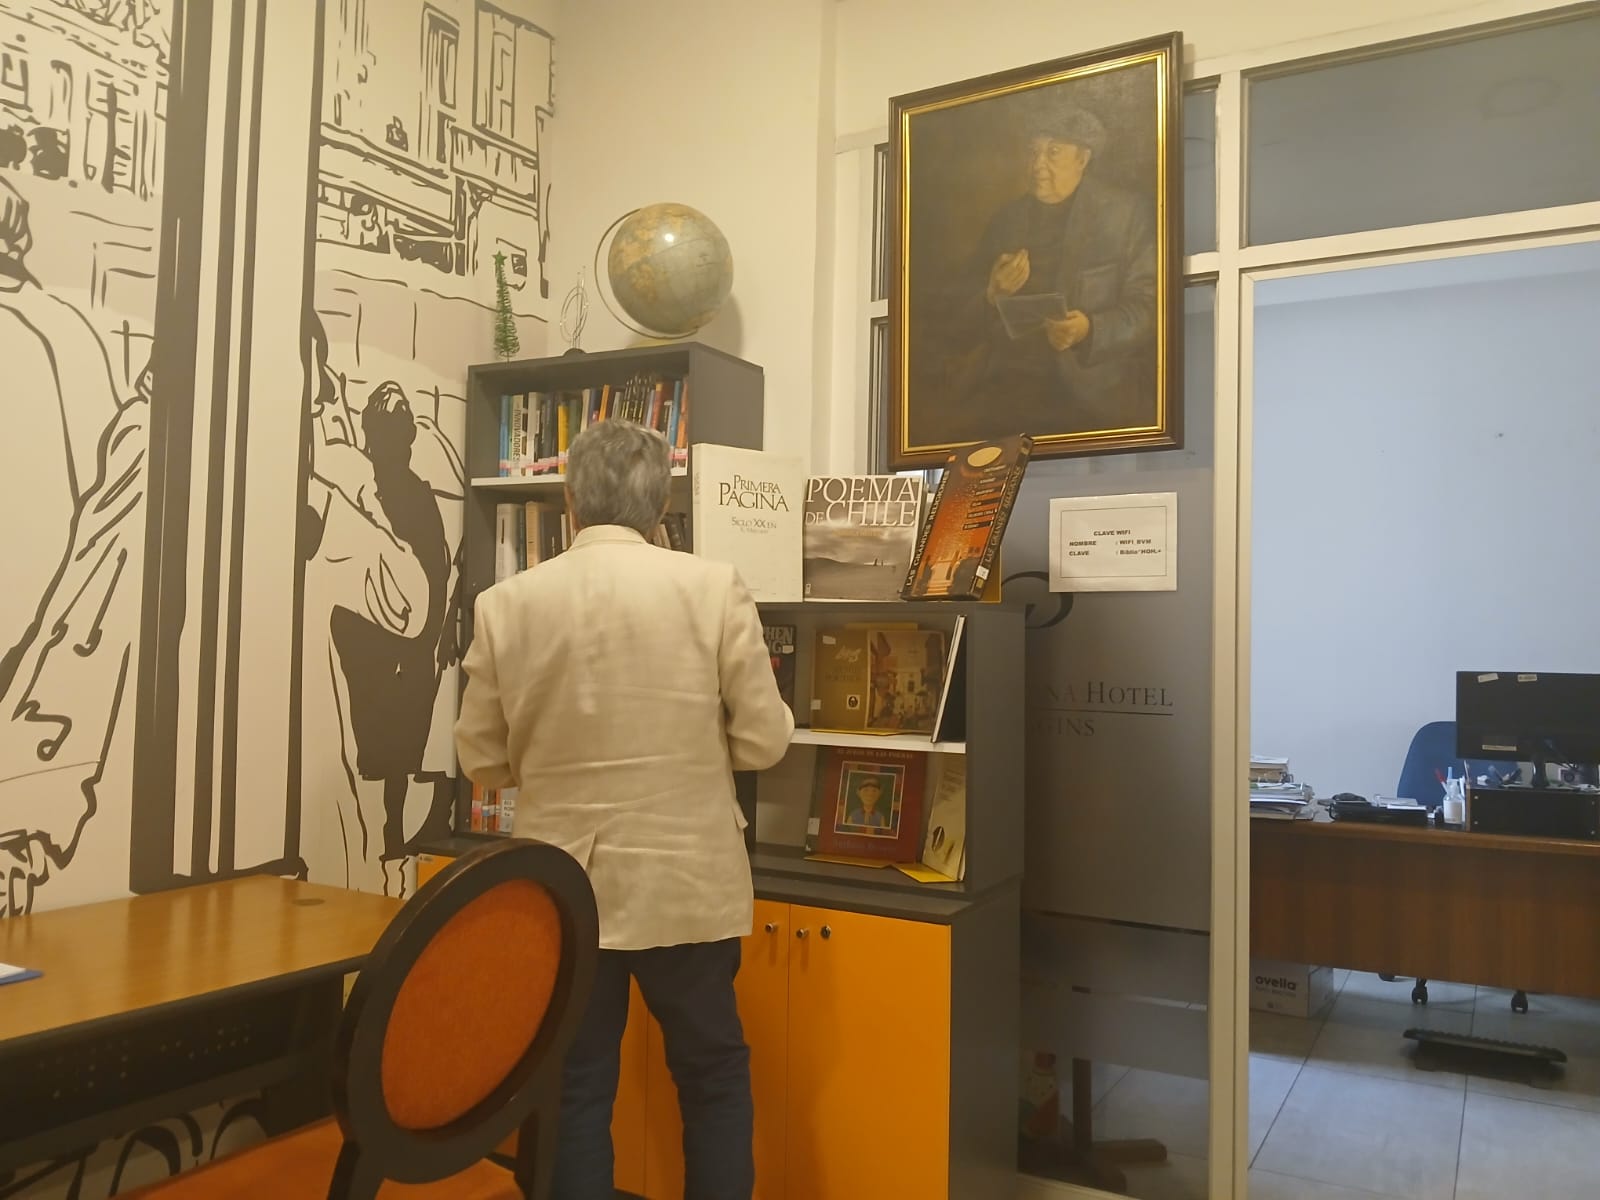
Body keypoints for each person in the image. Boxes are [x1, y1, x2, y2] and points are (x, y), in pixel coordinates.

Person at [455, 419, 793, 1200]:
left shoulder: (505, 604)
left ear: (569, 500)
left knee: (574, 1086)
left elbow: (482, 761)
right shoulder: (712, 587)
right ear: (661, 504)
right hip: (688, 883)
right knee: (711, 1076)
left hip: (563, 889)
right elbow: (765, 741)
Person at [943, 104, 1156, 442]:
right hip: (1008, 398)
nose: (1037, 165)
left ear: (1083, 159)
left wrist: (1089, 329)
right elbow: (951, 321)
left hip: (1095, 399)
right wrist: (991, 295)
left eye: (1053, 152)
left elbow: (1151, 308)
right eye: (1033, 152)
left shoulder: (1126, 214)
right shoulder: (1006, 221)